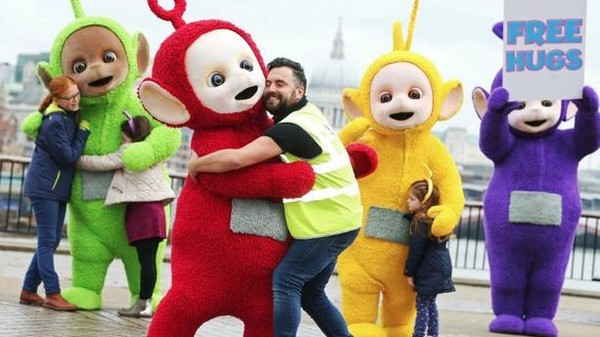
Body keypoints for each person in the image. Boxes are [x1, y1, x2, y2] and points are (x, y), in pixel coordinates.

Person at [188, 57, 362, 337]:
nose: (271, 89)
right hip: (343, 218)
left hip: (330, 223)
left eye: (280, 83)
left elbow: (237, 159)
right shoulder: (310, 115)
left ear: (299, 91)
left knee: (287, 280)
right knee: (311, 294)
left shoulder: (293, 128)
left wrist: (197, 164)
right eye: (268, 83)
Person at [76, 113, 175, 318]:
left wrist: (75, 159)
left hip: (143, 213)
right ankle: (145, 302)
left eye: (124, 138)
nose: (122, 142)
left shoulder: (129, 152)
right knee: (149, 261)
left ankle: (143, 304)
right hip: (156, 212)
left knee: (145, 261)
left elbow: (101, 162)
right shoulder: (152, 152)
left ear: (131, 137)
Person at [20, 75, 90, 311]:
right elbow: (68, 156)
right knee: (47, 242)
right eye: (70, 97)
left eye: (77, 95)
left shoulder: (67, 116)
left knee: (52, 242)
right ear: (57, 99)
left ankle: (29, 290)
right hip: (45, 188)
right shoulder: (55, 122)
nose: (75, 100)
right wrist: (83, 133)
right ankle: (52, 293)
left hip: (56, 188)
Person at [403, 177, 455, 337]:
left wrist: (409, 272)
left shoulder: (420, 221)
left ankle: (418, 334)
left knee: (422, 304)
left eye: (412, 199)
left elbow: (416, 250)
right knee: (430, 302)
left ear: (424, 203)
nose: (408, 201)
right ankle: (433, 333)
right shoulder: (435, 220)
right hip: (442, 266)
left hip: (428, 268)